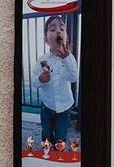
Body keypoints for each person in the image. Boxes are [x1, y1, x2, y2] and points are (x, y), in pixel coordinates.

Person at [32, 15, 79, 144]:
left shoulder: (70, 59)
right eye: (52, 29)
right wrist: (41, 79)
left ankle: (59, 154)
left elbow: (74, 77)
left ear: (66, 37)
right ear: (46, 40)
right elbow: (34, 82)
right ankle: (47, 151)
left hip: (65, 108)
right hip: (47, 107)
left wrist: (67, 59)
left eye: (62, 29)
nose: (58, 31)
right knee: (46, 134)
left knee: (60, 137)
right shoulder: (42, 60)